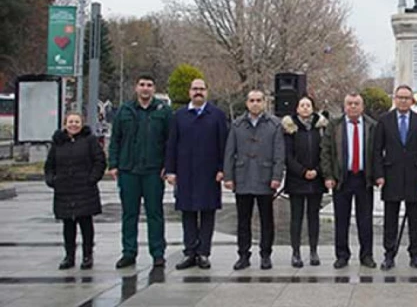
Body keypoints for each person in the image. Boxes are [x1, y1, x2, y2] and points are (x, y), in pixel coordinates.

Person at [108, 74, 173, 269]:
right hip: (129, 170)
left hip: (153, 171)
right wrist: (113, 164)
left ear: (154, 89)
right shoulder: (124, 111)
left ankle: (158, 253)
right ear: (136, 88)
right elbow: (115, 139)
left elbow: (170, 141)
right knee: (129, 214)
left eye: (149, 85)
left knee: (155, 213)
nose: (145, 88)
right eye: (142, 84)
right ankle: (129, 252)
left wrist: (168, 166)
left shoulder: (163, 111)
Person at [165, 79, 228, 270]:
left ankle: (203, 253)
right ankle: (190, 252)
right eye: (195, 89)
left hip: (209, 173)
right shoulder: (179, 115)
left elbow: (223, 145)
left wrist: (222, 169)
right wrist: (170, 170)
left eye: (201, 89)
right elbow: (172, 144)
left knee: (207, 213)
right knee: (188, 213)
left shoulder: (217, 115)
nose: (198, 92)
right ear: (189, 92)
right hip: (185, 173)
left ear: (207, 92)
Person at [223, 90, 285, 270]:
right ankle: (243, 255)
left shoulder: (274, 125)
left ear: (265, 102)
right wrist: (228, 176)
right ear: (246, 103)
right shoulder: (237, 125)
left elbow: (279, 154)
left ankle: (265, 254)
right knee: (243, 220)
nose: (255, 103)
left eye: (259, 100)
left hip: (265, 178)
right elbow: (229, 152)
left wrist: (276, 176)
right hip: (242, 177)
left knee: (267, 219)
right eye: (252, 100)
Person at [374, 85, 417, 271]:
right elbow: (376, 150)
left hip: (415, 176)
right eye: (400, 97)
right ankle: (389, 254)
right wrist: (379, 175)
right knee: (390, 218)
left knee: (414, 218)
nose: (403, 101)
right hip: (391, 176)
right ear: (395, 99)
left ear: (412, 100)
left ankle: (415, 254)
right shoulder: (384, 120)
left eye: (407, 98)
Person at [320, 93, 378, 269]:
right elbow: (326, 152)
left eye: (357, 103)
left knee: (365, 220)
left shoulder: (372, 126)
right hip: (342, 179)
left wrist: (377, 175)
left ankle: (366, 255)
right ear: (344, 106)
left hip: (363, 179)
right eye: (350, 103)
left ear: (362, 106)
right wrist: (328, 176)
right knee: (341, 219)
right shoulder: (334, 125)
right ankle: (342, 255)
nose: (353, 107)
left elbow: (377, 153)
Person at [44, 112, 106, 270]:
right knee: (68, 225)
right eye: (70, 122)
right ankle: (69, 256)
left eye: (77, 122)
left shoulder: (90, 140)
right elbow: (49, 164)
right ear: (65, 124)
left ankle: (87, 255)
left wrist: (92, 178)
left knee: (86, 223)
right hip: (64, 189)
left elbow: (100, 161)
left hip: (85, 188)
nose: (74, 125)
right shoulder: (58, 142)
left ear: (82, 124)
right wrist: (52, 180)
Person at [282, 95, 328, 268]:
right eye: (302, 105)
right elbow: (288, 155)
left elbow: (325, 152)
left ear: (313, 108)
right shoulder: (290, 128)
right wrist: (302, 172)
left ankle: (314, 251)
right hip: (296, 180)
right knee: (296, 217)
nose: (305, 108)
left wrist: (317, 170)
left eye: (308, 105)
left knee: (313, 217)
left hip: (317, 179)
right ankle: (296, 253)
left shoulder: (321, 128)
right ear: (297, 108)